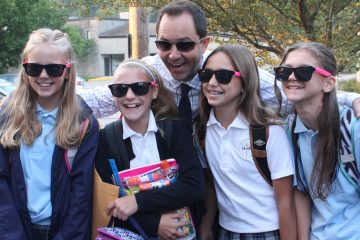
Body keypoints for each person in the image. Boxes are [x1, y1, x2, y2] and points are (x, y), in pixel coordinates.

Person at [78, 0, 360, 120]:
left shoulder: (227, 72)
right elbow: (94, 102)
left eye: (185, 45)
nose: (173, 54)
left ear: (205, 43)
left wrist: (352, 100)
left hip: (226, 190)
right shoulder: (149, 75)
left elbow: (291, 93)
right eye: (164, 44)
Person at [0, 28, 99, 239]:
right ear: (25, 70)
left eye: (53, 69)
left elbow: (81, 193)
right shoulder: (7, 116)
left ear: (67, 71)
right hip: (14, 227)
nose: (43, 76)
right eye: (34, 68)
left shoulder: (84, 124)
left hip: (62, 230)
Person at [195, 44, 296, 240]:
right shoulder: (201, 130)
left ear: (245, 82)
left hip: (267, 233)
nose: (212, 83)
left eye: (223, 76)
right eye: (206, 75)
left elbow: (286, 203)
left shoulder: (268, 132)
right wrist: (207, 226)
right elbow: (212, 183)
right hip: (225, 231)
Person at [94, 59, 204, 239]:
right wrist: (155, 223)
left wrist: (137, 201)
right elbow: (109, 205)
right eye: (120, 89)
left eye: (139, 88)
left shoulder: (174, 130)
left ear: (154, 91)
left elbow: (194, 186)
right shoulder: (106, 139)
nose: (129, 95)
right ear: (113, 95)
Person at [275, 42, 360, 240]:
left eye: (303, 71)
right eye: (284, 71)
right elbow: (302, 192)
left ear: (328, 83)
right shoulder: (290, 129)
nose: (291, 77)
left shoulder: (353, 127)